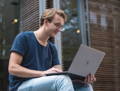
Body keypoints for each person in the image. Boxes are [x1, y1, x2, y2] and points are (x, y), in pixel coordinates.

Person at [8, 8, 96, 91]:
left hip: (42, 84)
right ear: (46, 22)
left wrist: (80, 79)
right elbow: (12, 68)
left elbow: (59, 73)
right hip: (20, 86)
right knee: (61, 80)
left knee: (85, 86)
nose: (59, 29)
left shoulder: (52, 48)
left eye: (61, 26)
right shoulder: (24, 38)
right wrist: (42, 73)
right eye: (57, 25)